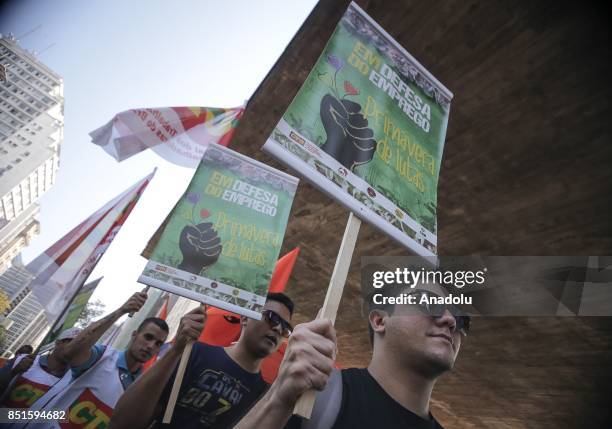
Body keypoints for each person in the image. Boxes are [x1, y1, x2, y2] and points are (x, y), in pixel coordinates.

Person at [235, 281, 471, 429]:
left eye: (461, 317)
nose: (450, 321)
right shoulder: (311, 397)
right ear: (379, 320)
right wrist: (278, 399)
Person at [110, 292, 295, 429]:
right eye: (271, 318)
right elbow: (122, 422)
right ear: (245, 317)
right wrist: (176, 350)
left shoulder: (264, 395)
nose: (278, 328)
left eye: (286, 328)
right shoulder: (193, 352)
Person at [28, 291, 168, 428]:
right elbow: (70, 352)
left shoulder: (142, 386)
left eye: (158, 343)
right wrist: (121, 311)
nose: (151, 346)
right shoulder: (101, 356)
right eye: (148, 337)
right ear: (134, 335)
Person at [0, 328, 80, 408]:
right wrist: (14, 372)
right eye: (71, 343)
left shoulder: (73, 380)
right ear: (57, 343)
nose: (75, 348)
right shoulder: (22, 359)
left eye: (79, 346)